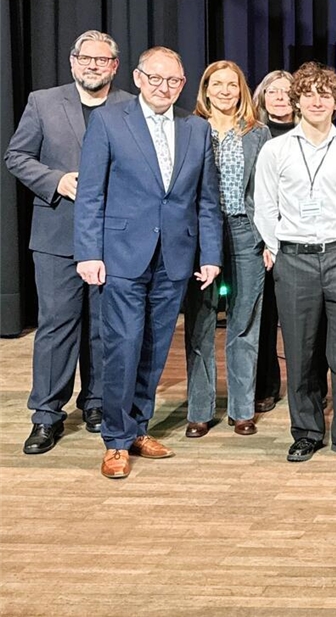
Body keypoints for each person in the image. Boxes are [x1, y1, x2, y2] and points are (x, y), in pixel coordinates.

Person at [74, 46, 223, 479]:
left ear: (182, 84)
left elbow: (207, 201)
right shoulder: (108, 121)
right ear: (138, 78)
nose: (164, 88)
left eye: (173, 81)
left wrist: (210, 254)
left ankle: (138, 427)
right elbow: (91, 195)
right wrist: (88, 251)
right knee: (122, 346)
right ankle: (116, 441)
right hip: (120, 256)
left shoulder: (196, 129)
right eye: (155, 79)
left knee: (156, 349)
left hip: (174, 258)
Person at [5, 30, 133, 454]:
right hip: (57, 234)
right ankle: (46, 415)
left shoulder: (130, 106)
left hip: (112, 236)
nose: (93, 65)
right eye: (86, 58)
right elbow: (17, 157)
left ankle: (96, 403)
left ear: (114, 66)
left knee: (103, 326)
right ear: (73, 61)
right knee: (57, 325)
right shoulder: (43, 101)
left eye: (103, 59)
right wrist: (57, 180)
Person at [253, 62, 336, 463]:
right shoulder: (276, 149)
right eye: (309, 94)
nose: (317, 100)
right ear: (297, 101)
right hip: (295, 259)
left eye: (325, 94)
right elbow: (265, 205)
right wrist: (279, 246)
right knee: (302, 353)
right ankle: (306, 431)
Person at [182, 61, 270, 438]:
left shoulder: (258, 132)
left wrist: (268, 238)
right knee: (200, 322)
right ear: (204, 89)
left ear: (241, 90)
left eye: (231, 84)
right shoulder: (187, 128)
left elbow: (265, 191)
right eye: (216, 84)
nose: (224, 90)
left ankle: (242, 409)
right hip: (202, 234)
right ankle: (200, 410)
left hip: (244, 229)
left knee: (245, 322)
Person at [250, 69, 296, 412]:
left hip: (302, 240)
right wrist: (268, 241)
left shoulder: (312, 133)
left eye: (287, 91)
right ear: (261, 97)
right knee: (263, 317)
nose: (280, 97)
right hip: (260, 240)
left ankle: (308, 386)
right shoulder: (253, 135)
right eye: (273, 91)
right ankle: (264, 384)